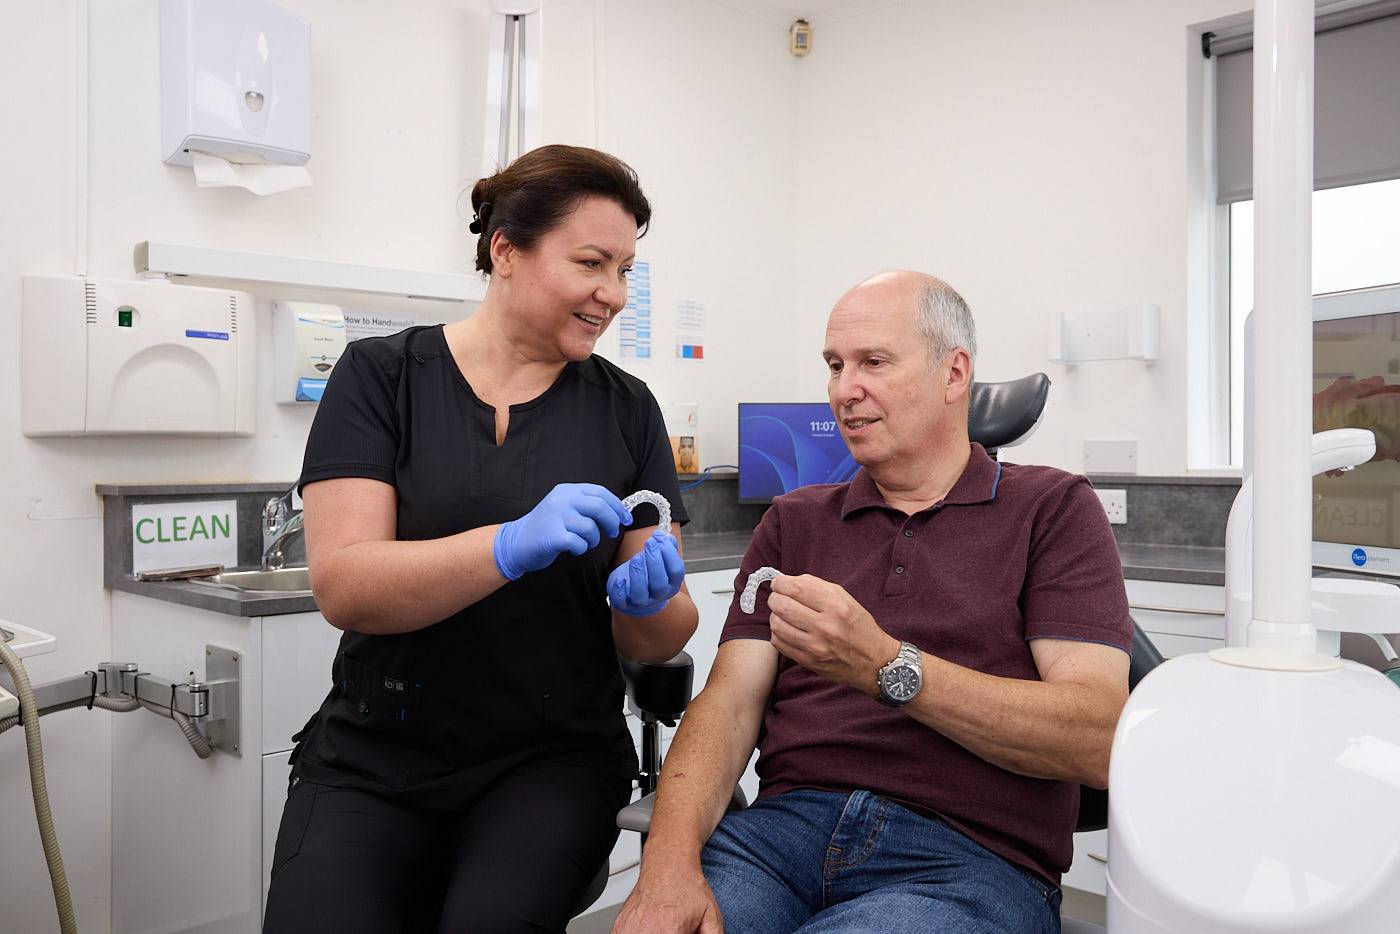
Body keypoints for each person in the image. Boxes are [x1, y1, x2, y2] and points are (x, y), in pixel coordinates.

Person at [263, 145, 699, 933]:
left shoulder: (627, 409)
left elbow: (659, 634)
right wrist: (506, 545)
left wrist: (651, 601)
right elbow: (345, 587)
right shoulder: (380, 377)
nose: (615, 295)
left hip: (550, 761)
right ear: (506, 250)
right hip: (375, 754)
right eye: (593, 263)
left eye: (627, 269)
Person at [614, 272, 1132, 934]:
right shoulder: (794, 522)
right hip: (778, 841)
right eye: (834, 366)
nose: (842, 390)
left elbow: (1095, 737)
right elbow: (729, 704)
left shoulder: (1054, 510)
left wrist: (886, 665)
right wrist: (667, 866)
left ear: (954, 373)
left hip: (969, 860)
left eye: (873, 363)